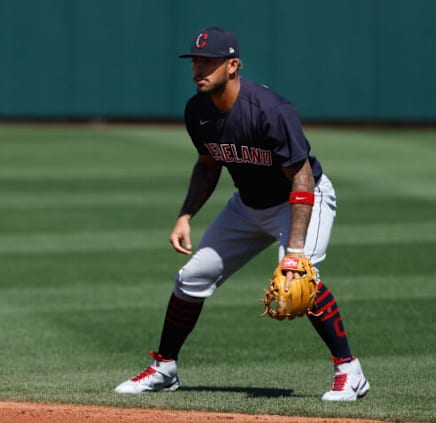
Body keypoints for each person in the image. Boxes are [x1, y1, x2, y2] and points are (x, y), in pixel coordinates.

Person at [114, 27, 369, 401]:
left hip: (300, 200)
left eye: (209, 61)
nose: (199, 68)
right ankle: (164, 367)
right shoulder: (197, 111)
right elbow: (207, 166)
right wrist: (186, 215)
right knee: (190, 279)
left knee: (300, 279)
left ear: (233, 65)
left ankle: (350, 371)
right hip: (248, 205)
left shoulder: (270, 111)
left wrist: (296, 252)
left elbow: (300, 178)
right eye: (196, 61)